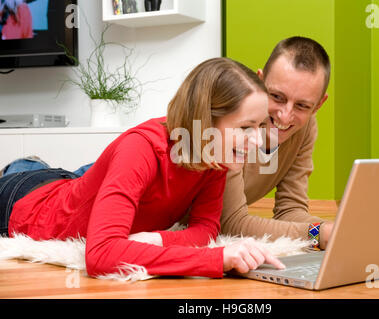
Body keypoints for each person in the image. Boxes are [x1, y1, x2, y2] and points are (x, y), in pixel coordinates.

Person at [0, 57, 286, 278]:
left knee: (76, 180)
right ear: (206, 120)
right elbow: (99, 255)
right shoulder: (142, 147)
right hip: (23, 202)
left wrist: (157, 238)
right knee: (27, 172)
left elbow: (207, 229)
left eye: (261, 126)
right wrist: (216, 259)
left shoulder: (214, 157)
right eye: (246, 127)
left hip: (67, 185)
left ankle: (36, 165)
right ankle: (24, 165)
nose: (258, 140)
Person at [218, 36, 335, 250]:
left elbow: (290, 209)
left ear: (319, 104)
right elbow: (230, 223)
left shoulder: (306, 127)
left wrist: (331, 229)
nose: (285, 115)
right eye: (277, 97)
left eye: (301, 106)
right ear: (259, 80)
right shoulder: (232, 118)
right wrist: (318, 234)